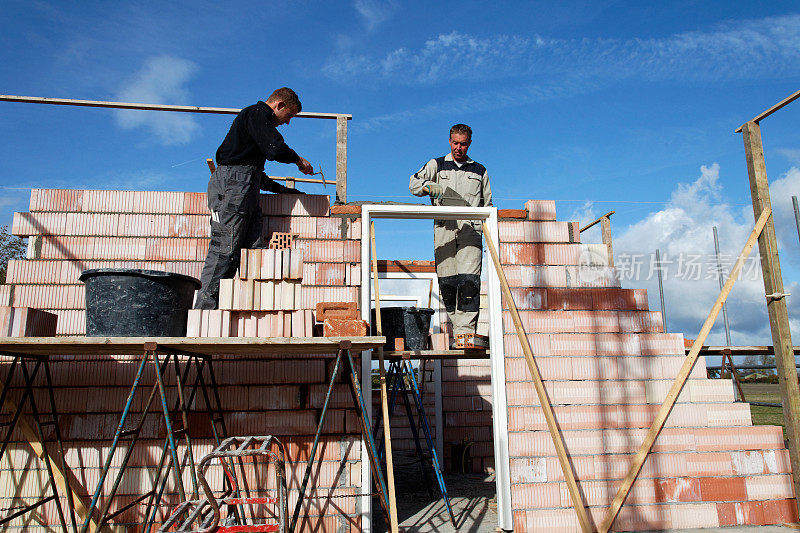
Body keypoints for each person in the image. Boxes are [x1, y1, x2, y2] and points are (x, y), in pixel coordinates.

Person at [194, 87, 314, 309]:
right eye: (289, 116)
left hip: (243, 189)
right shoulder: (256, 114)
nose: (287, 122)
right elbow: (274, 148)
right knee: (225, 249)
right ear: (279, 105)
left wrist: (285, 192)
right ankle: (204, 314)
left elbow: (254, 175)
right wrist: (298, 160)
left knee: (252, 252)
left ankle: (245, 310)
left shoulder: (253, 131)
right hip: (232, 189)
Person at [409, 124, 492, 344]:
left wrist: (488, 228)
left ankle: (467, 333)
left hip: (470, 232)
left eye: (463, 144)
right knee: (448, 282)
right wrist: (429, 187)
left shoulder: (479, 171)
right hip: (444, 230)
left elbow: (488, 204)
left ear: (469, 144)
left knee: (469, 282)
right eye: (455, 143)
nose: (458, 148)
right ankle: (459, 331)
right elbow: (413, 184)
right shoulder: (437, 164)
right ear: (449, 141)